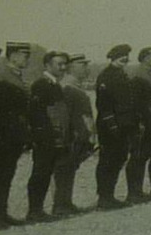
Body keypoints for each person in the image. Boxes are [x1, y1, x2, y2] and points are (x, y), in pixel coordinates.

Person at [0, 41, 32, 228]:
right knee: (0, 175)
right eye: (23, 55)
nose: (26, 59)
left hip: (14, 134)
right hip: (3, 134)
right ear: (12, 56)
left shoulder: (17, 76)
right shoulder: (1, 77)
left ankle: (1, 213)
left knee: (7, 174)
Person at [24, 50, 72, 222]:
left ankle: (39, 209)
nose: (63, 67)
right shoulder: (41, 84)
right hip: (45, 138)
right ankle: (34, 210)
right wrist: (42, 137)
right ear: (47, 65)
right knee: (40, 173)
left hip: (54, 137)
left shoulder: (54, 84)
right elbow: (37, 113)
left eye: (65, 64)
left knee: (46, 172)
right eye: (59, 64)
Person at [93, 44, 136, 209]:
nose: (124, 59)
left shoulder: (121, 74)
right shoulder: (106, 76)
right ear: (112, 58)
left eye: (125, 56)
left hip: (124, 124)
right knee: (108, 160)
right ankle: (104, 197)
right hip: (110, 125)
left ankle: (109, 195)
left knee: (119, 158)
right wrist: (112, 125)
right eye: (120, 56)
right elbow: (103, 104)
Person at [126, 47, 151, 201]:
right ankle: (134, 192)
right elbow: (135, 101)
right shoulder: (137, 74)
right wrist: (140, 121)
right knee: (138, 157)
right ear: (144, 58)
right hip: (146, 123)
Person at [57, 54, 95, 213]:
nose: (85, 68)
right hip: (73, 135)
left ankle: (66, 202)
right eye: (82, 65)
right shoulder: (67, 86)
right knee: (64, 169)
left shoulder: (75, 85)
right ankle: (60, 204)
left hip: (80, 134)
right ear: (71, 67)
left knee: (70, 168)